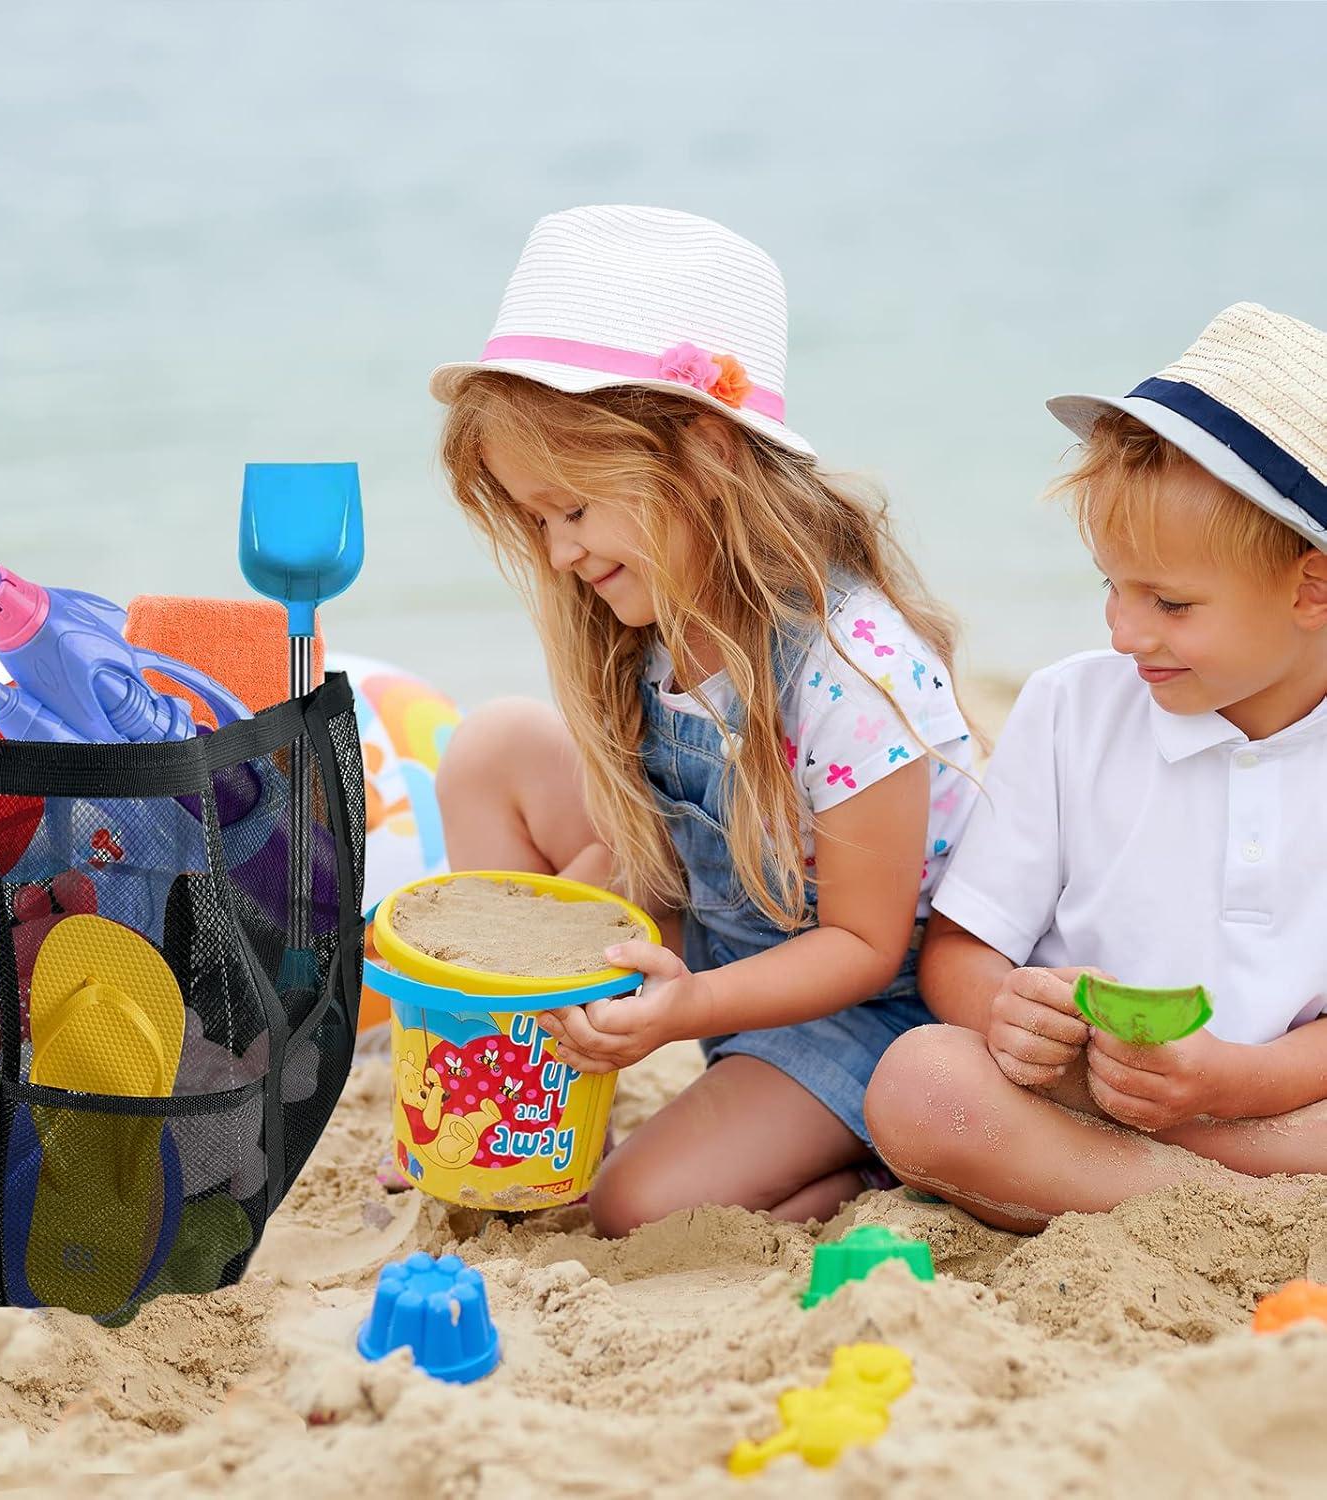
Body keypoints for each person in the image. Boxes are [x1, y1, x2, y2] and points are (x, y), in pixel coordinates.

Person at [428, 205, 976, 1234]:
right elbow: (661, 850)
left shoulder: (852, 671)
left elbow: (862, 942)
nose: (558, 554)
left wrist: (685, 1010)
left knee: (640, 1205)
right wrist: (525, 956)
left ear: (707, 456)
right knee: (493, 747)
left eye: (576, 510)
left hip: (854, 1008)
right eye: (538, 520)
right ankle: (514, 1091)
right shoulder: (647, 621)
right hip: (719, 934)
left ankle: (863, 1162)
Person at [865, 302, 1327, 1231]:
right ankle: (1219, 1204)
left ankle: (1176, 1188)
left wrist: (1235, 1082)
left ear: (1309, 587)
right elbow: (958, 952)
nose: (1124, 631)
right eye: (1111, 586)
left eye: (1170, 602)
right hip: (1089, 1096)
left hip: (1280, 1099)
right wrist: (1006, 1013)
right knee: (920, 1083)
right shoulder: (1074, 709)